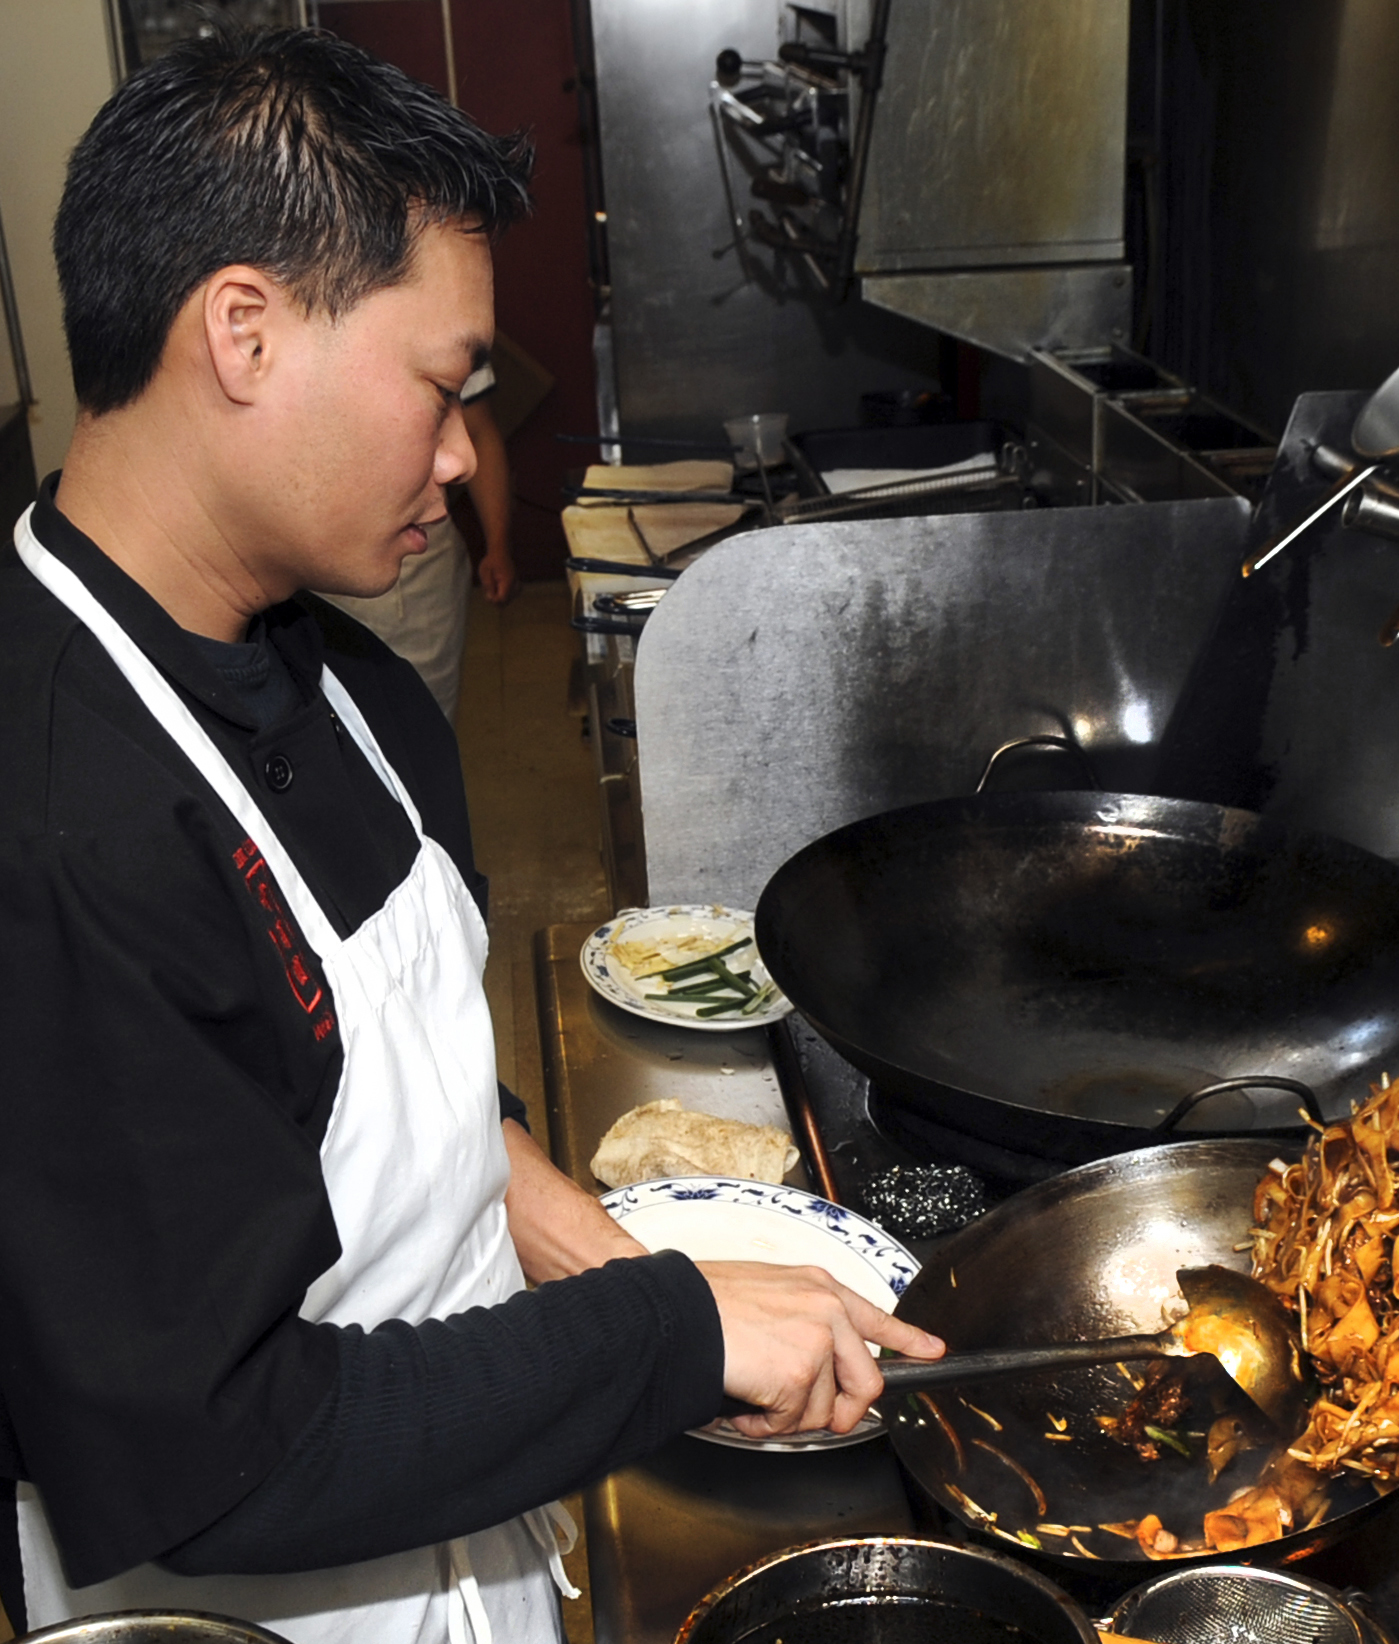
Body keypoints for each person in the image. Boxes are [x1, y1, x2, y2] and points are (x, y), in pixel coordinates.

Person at [0, 26, 943, 1644]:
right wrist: (668, 1332)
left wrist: (608, 1253)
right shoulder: (58, 833)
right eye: (441, 387)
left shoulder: (348, 679)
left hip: (467, 1541)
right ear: (244, 332)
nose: (459, 450)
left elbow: (398, 1102)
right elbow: (207, 1459)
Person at [321, 366, 515, 719]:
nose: (458, 464)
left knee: (412, 724)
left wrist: (498, 544)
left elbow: (478, 428)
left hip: (410, 568)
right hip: (292, 565)